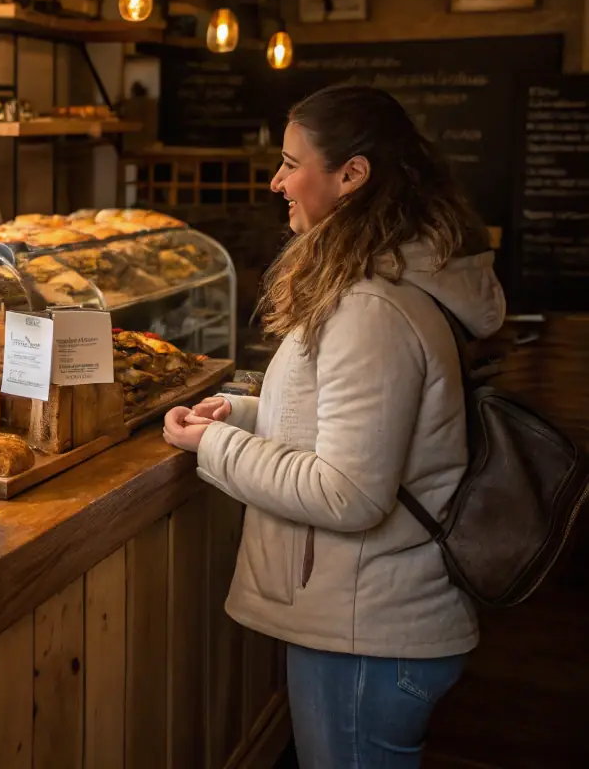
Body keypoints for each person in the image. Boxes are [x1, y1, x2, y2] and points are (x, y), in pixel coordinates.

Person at [162, 84, 505, 768]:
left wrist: (213, 445)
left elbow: (347, 491)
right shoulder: (383, 286)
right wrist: (243, 415)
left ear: (350, 175)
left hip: (370, 633)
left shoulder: (370, 310)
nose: (276, 180)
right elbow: (357, 429)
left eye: (292, 163)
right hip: (371, 624)